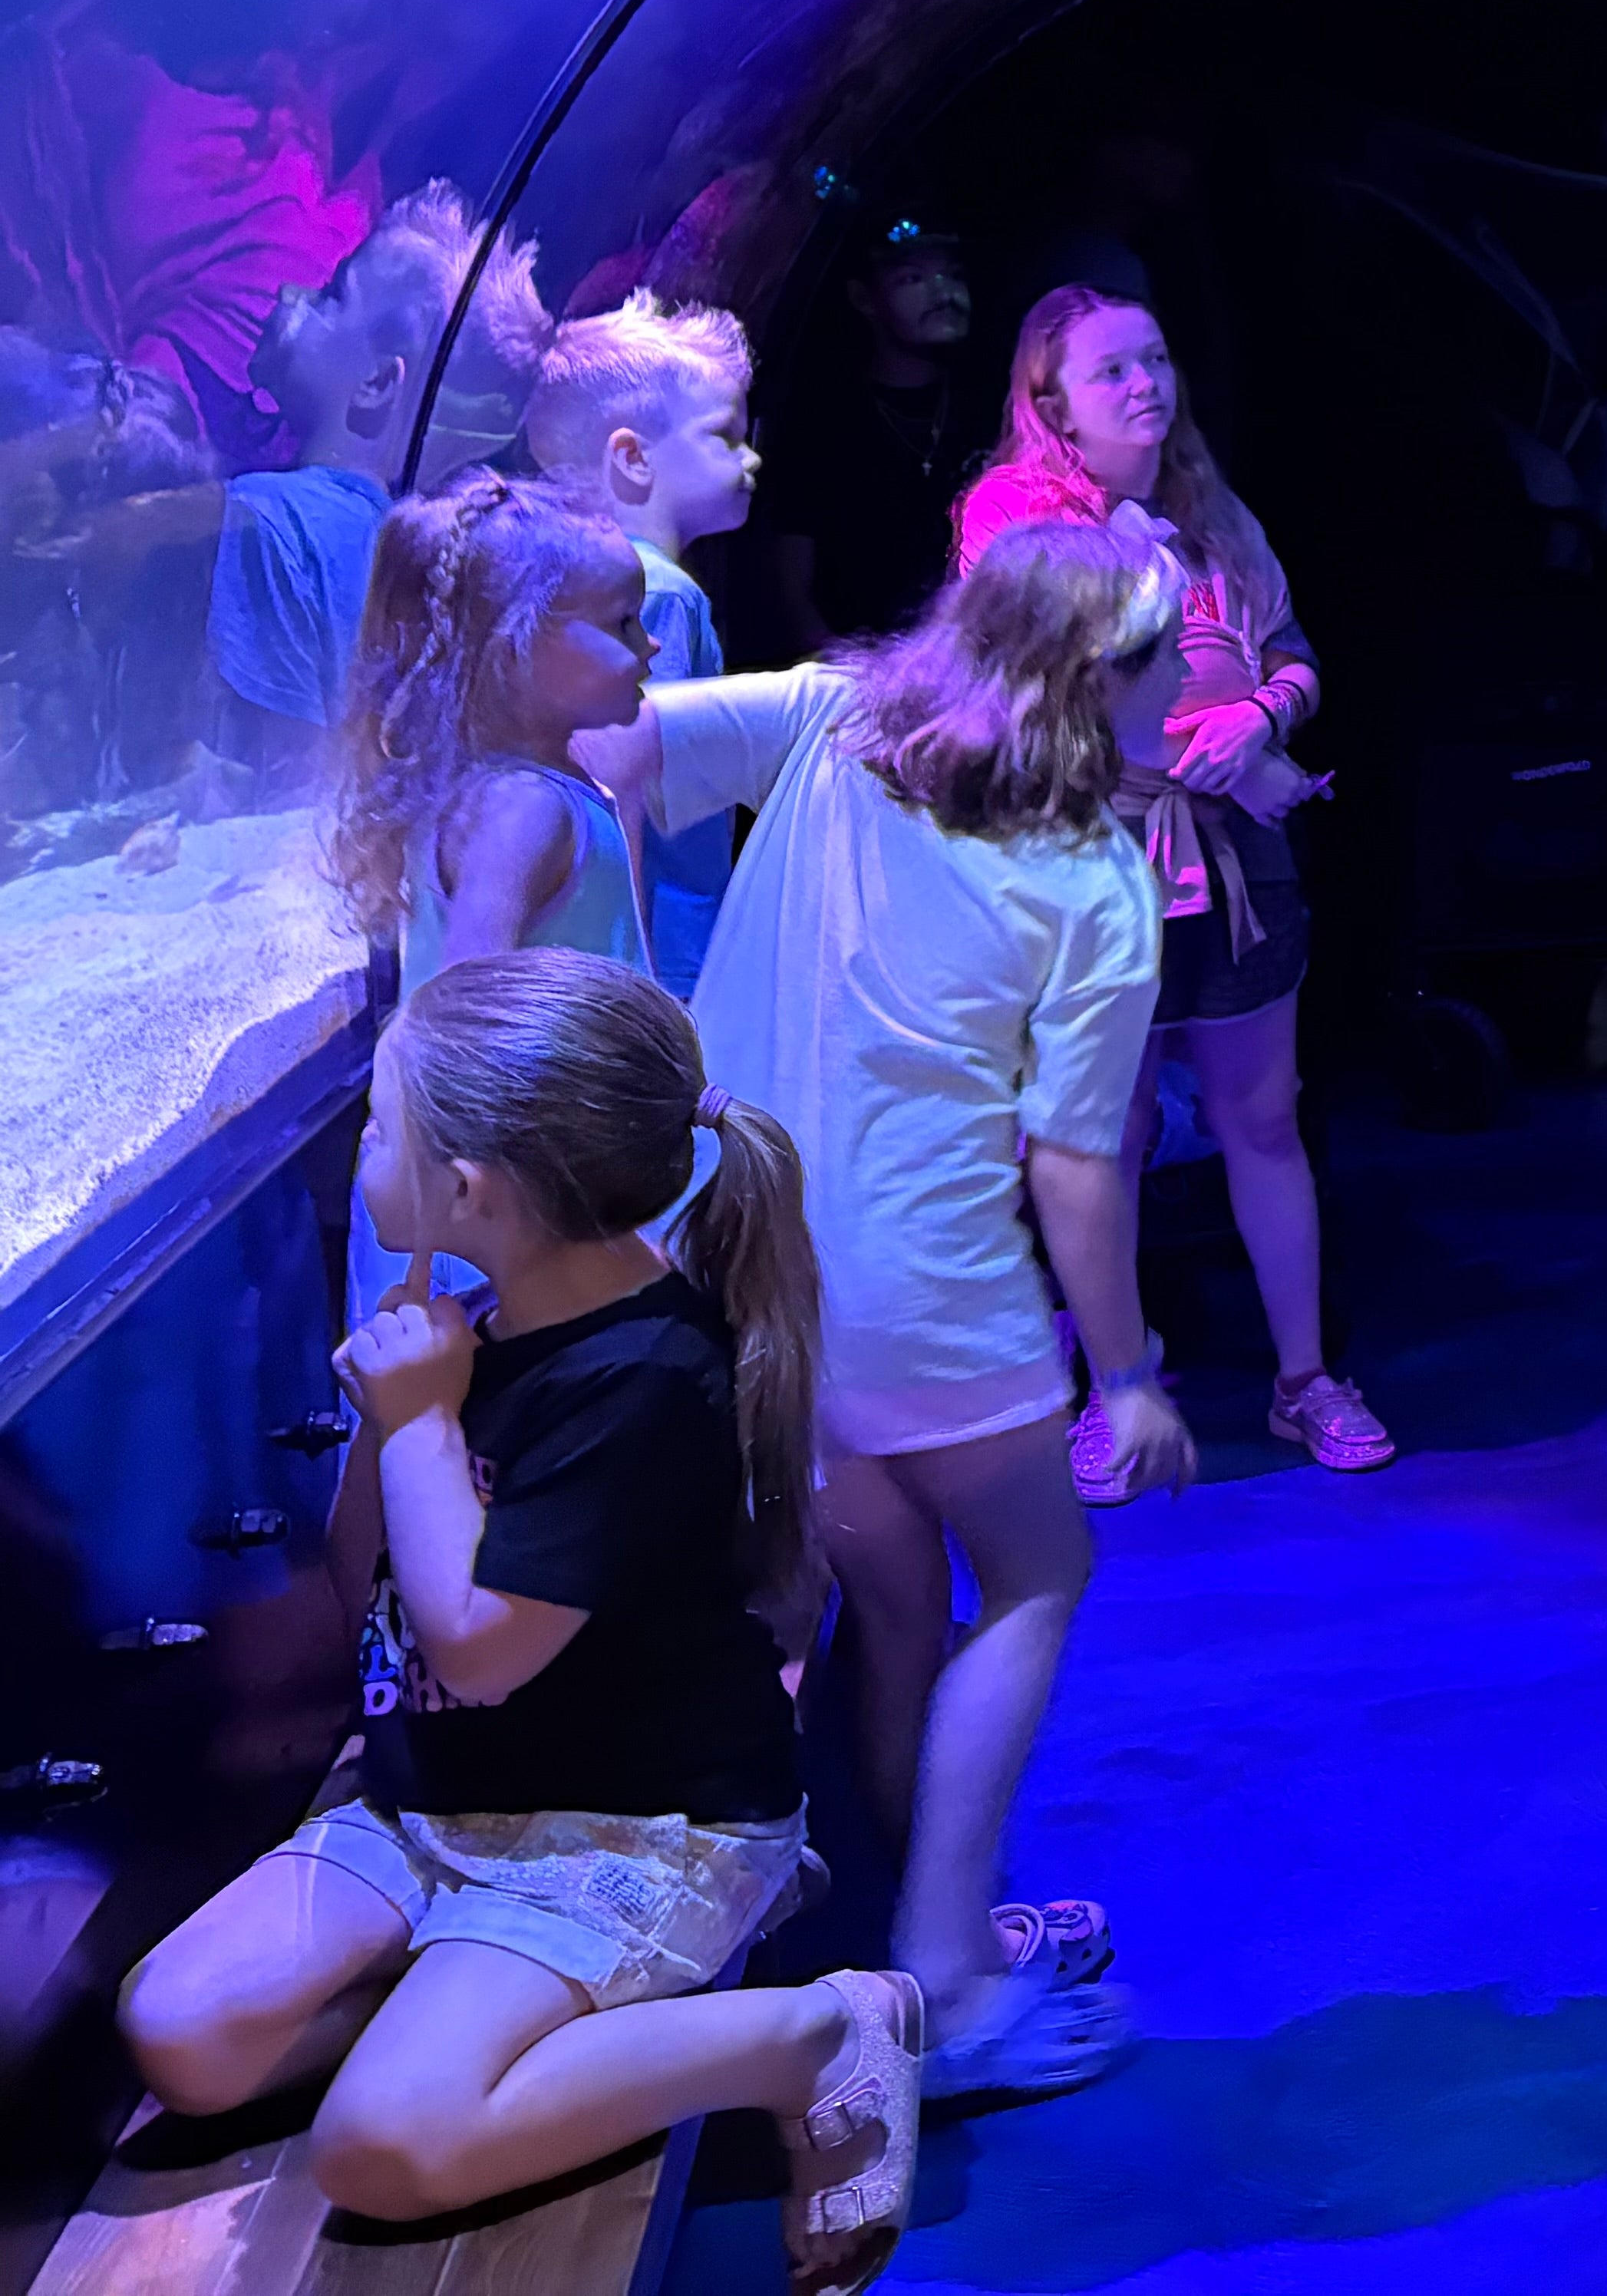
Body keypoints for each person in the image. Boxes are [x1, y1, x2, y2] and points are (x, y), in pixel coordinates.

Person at [115, 951, 920, 2291]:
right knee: (180, 2032)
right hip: (431, 1804)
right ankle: (473, 2021)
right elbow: (358, 1584)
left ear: (472, 1190)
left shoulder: (643, 1374)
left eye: (379, 1123)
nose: (360, 1143)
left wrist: (425, 1420)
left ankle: (815, 2034)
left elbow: (478, 1651)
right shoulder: (476, 1321)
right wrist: (393, 1421)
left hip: (627, 1828)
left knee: (381, 2145)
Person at [615, 519, 1198, 2103]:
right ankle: (949, 1972)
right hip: (925, 1298)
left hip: (735, 1264)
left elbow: (605, 744)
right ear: (1100, 683)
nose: (1183, 689)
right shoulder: (1090, 881)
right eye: (1168, 661)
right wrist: (1128, 1376)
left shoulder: (826, 719)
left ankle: (901, 1937)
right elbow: (1075, 1172)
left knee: (887, 1611)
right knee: (1034, 1577)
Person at [954, 287, 1388, 1485]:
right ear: (1051, 404)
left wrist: (1259, 712)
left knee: (1262, 1118)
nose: (1146, 383)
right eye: (1112, 372)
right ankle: (1115, 1383)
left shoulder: (1214, 509)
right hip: (1098, 858)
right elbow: (1024, 692)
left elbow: (1293, 654)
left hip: (1238, 850)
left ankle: (1305, 1378)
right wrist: (1170, 759)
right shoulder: (1014, 525)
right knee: (1112, 1130)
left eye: (1155, 358)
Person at [323, 469, 658, 1327]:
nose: (651, 645)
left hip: (496, 1190)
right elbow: (465, 1007)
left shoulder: (515, 785)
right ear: (516, 645)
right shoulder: (524, 809)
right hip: (494, 1212)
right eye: (623, 622)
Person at [206, 185, 541, 797]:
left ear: (377, 384)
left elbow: (266, 778)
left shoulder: (270, 519)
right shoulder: (429, 551)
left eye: (333, 297)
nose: (290, 294)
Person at [524, 295, 761, 998]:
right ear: (631, 456)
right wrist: (633, 978)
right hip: (665, 953)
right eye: (724, 435)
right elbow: (620, 781)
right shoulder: (658, 596)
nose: (752, 456)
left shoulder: (570, 584)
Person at [742, 221, 984, 655]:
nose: (943, 292)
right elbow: (791, 588)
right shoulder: (823, 421)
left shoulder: (990, 403)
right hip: (859, 673)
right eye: (913, 277)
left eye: (954, 275)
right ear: (863, 298)